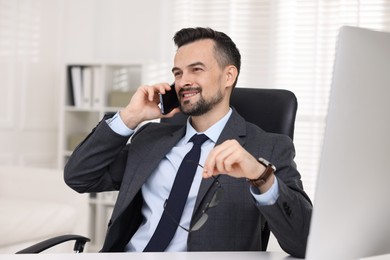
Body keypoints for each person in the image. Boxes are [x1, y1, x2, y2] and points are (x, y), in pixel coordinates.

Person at [64, 27, 312, 258]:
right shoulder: (151, 139)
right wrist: (130, 117)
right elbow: (79, 176)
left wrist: (261, 176)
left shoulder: (267, 148)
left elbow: (304, 242)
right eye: (178, 73)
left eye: (196, 69)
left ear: (228, 76)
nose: (183, 82)